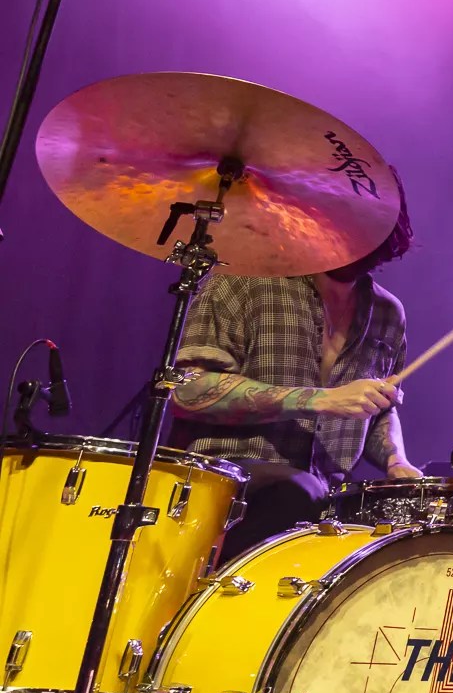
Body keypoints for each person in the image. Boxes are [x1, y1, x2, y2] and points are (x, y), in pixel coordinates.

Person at [170, 191, 420, 561]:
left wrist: (396, 462)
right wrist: (322, 400)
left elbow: (380, 408)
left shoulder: (388, 313)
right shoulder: (243, 279)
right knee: (296, 493)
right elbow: (187, 389)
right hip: (224, 482)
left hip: (323, 496)